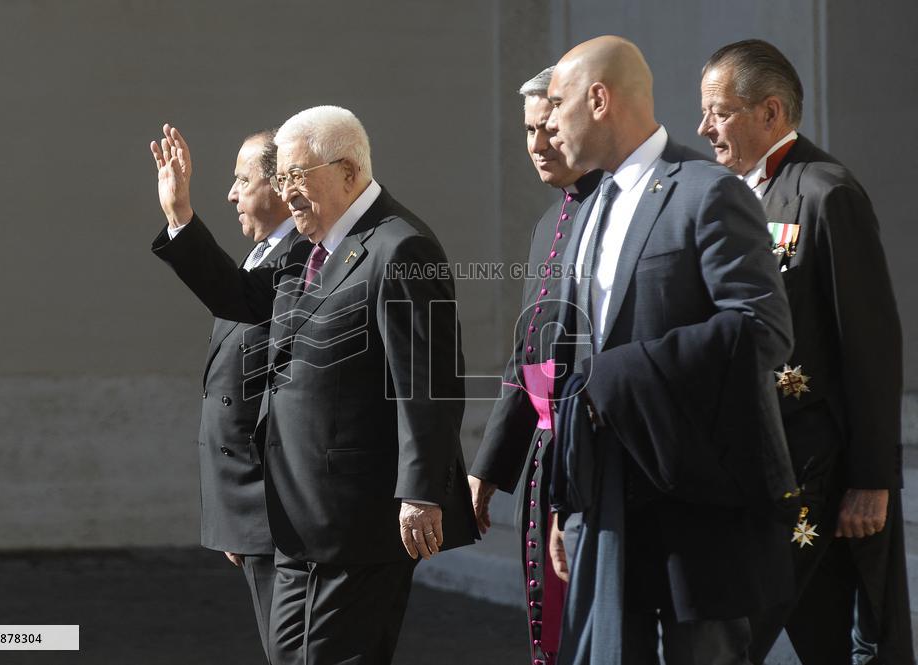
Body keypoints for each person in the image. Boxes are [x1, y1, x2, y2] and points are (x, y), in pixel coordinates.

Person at [149, 106, 478, 665]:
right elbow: (241, 301)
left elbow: (428, 384)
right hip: (299, 521)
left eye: (296, 177)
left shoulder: (401, 248)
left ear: (348, 171)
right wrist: (180, 215)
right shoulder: (310, 248)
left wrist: (421, 492)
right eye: (279, 179)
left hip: (354, 521)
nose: (286, 193)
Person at [543, 36, 796, 664]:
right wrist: (561, 495)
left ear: (599, 99)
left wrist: (624, 375)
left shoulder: (706, 191)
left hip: (697, 501)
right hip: (601, 496)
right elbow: (573, 355)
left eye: (556, 103)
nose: (546, 123)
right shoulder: (578, 213)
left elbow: (761, 327)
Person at [698, 39, 913, 665]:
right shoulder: (734, 195)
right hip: (758, 465)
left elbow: (871, 345)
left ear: (770, 112)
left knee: (737, 637)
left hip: (818, 472)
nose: (704, 126)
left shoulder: (825, 193)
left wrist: (873, 481)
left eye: (720, 110)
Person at [468, 65, 600, 664]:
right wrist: (489, 470)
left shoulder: (616, 211)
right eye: (528, 131)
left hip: (593, 453)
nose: (537, 145)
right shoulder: (549, 220)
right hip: (545, 460)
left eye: (548, 128)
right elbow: (528, 357)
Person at [150, 128, 296, 659]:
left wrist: (181, 218)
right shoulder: (264, 255)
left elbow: (238, 304)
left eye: (242, 180)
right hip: (251, 506)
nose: (231, 194)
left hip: (275, 505)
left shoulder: (304, 257)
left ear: (283, 185)